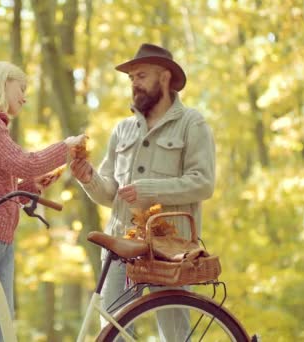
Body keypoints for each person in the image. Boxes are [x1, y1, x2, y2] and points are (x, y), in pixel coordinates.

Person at [70, 43, 216, 340]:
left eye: (141, 75)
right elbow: (111, 193)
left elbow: (203, 183)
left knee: (175, 336)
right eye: (131, 78)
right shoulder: (122, 130)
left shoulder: (192, 124)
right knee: (113, 332)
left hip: (170, 249)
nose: (134, 83)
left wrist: (149, 190)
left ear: (164, 77)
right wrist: (89, 180)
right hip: (120, 247)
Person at [0, 61, 85, 342]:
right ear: (2, 83)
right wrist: (65, 148)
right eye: (20, 88)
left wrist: (34, 183)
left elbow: (1, 191)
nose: (24, 96)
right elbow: (23, 162)